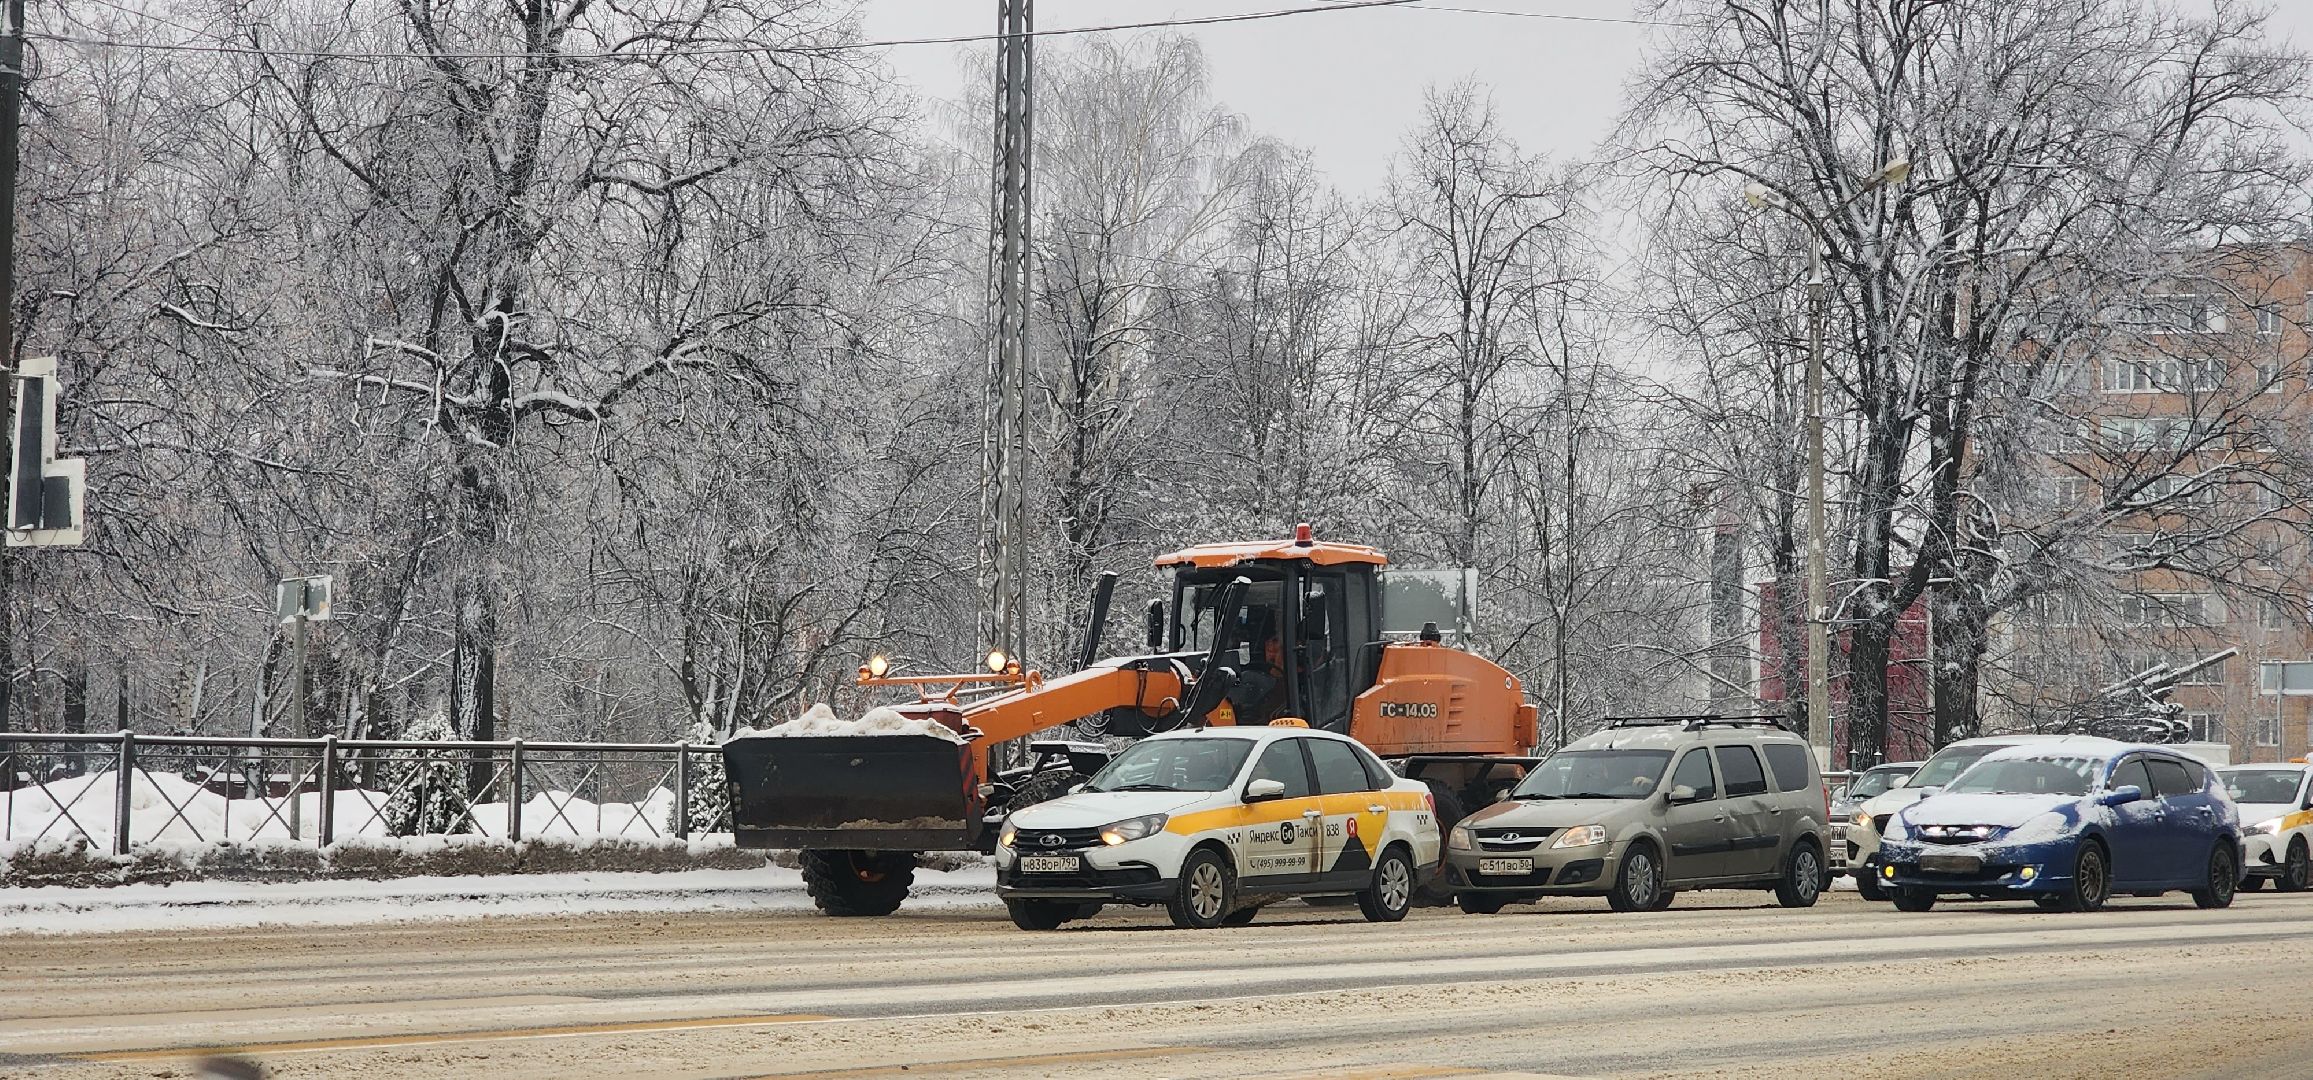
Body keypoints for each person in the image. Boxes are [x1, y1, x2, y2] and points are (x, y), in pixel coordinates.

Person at [1227, 633, 1290, 724]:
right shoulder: (1250, 678)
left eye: (1275, 643)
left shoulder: (1293, 687)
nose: (1271, 648)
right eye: (1268, 645)